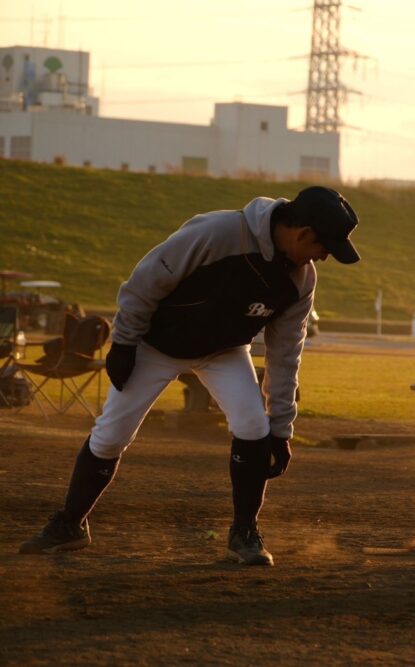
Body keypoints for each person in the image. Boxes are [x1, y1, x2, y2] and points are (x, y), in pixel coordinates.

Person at [19, 186, 361, 566]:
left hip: (223, 351)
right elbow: (143, 284)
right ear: (303, 234)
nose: (324, 257)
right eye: (324, 246)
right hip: (154, 345)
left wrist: (281, 429)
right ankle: (70, 525)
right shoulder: (217, 234)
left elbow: (285, 354)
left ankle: (244, 533)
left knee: (253, 426)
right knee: (111, 434)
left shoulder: (301, 279)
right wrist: (125, 342)